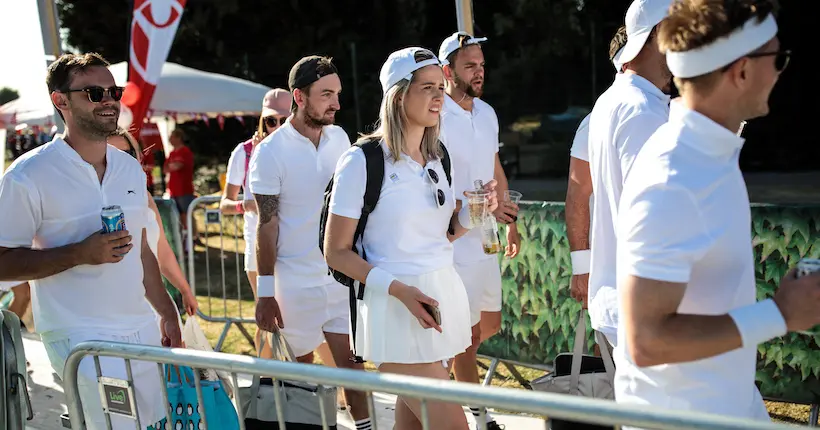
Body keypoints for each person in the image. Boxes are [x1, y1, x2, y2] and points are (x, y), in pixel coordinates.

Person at [615, 0, 803, 422]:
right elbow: (646, 340)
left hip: (729, 409)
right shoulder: (673, 176)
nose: (779, 71)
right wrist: (781, 315)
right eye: (777, 58)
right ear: (741, 71)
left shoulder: (707, 155)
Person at [0, 52, 181, 429]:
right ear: (60, 101)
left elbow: (142, 249)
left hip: (140, 328)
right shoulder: (27, 175)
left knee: (152, 425)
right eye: (94, 93)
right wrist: (80, 253)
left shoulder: (129, 168)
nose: (109, 100)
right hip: (81, 339)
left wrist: (165, 310)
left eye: (114, 91)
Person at [324, 47, 497, 430]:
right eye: (427, 88)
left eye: (441, 86)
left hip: (439, 299)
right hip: (394, 309)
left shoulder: (438, 156)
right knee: (454, 426)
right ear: (399, 95)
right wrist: (400, 290)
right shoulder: (362, 160)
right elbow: (335, 251)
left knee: (414, 424)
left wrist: (475, 211)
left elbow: (442, 235)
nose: (439, 96)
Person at [249, 56, 372, 429]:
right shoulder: (269, 152)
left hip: (338, 279)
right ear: (298, 97)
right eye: (326, 95)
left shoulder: (340, 138)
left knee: (353, 368)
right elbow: (265, 228)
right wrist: (265, 292)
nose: (335, 103)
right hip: (295, 285)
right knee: (300, 377)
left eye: (337, 94)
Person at [437, 31, 518, 430]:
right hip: (453, 241)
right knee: (467, 336)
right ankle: (477, 416)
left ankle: (441, 370)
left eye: (482, 64)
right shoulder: (435, 116)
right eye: (470, 65)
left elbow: (494, 167)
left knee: (489, 324)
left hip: (486, 236)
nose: (479, 71)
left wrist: (510, 221)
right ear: (447, 71)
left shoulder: (487, 112)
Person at [586, 0, 673, 348]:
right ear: (656, 36)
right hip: (650, 309)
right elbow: (656, 218)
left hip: (629, 303)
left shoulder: (613, 100)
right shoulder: (641, 111)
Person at [220, 88, 290, 358]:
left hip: (293, 245)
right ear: (262, 120)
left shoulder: (300, 149)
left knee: (290, 318)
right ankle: (267, 384)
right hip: (258, 246)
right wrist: (247, 205)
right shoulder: (245, 152)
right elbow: (225, 203)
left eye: (283, 120)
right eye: (272, 121)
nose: (277, 127)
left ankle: (275, 381)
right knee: (268, 317)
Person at [566, 26, 627, 307]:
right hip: (612, 269)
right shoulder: (596, 121)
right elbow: (578, 195)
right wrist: (582, 267)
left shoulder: (664, 111)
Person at [108, 128, 198, 316]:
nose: (120, 160)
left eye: (127, 153)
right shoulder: (97, 201)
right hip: (119, 307)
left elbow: (162, 249)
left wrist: (184, 289)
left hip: (156, 303)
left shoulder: (144, 196)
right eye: (110, 153)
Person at [164, 128, 198, 246]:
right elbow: (166, 168)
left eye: (172, 137)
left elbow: (177, 166)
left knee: (187, 214)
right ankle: (183, 239)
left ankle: (193, 237)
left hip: (184, 189)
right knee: (177, 216)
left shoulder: (185, 151)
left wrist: (173, 165)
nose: (170, 139)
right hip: (173, 190)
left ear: (178, 138)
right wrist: (173, 165)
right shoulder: (172, 153)